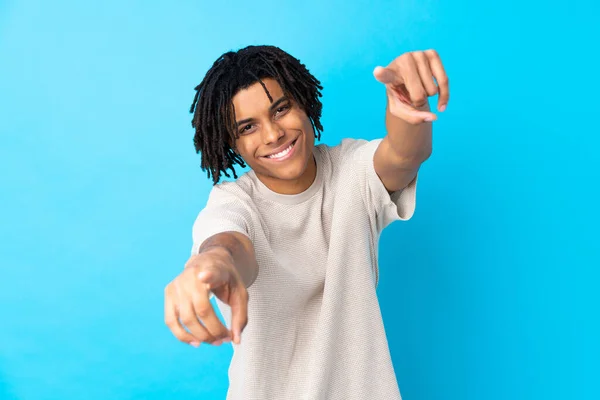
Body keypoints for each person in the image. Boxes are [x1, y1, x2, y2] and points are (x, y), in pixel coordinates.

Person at [164, 45, 449, 400]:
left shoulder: (350, 171)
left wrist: (409, 105)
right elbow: (229, 244)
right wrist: (211, 264)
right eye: (248, 127)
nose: (272, 135)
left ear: (303, 103)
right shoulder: (233, 201)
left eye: (280, 109)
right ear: (233, 144)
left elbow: (405, 155)